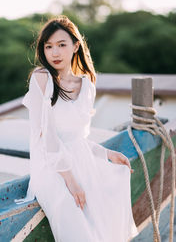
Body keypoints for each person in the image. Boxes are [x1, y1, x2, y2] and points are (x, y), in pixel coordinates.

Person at [18, 16, 138, 241]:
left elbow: (77, 139)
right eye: (49, 46)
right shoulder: (41, 79)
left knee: (106, 205)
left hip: (81, 161)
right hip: (50, 167)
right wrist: (71, 182)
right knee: (74, 213)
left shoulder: (87, 85)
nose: (54, 53)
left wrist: (107, 154)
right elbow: (47, 138)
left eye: (61, 45)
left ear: (75, 46)